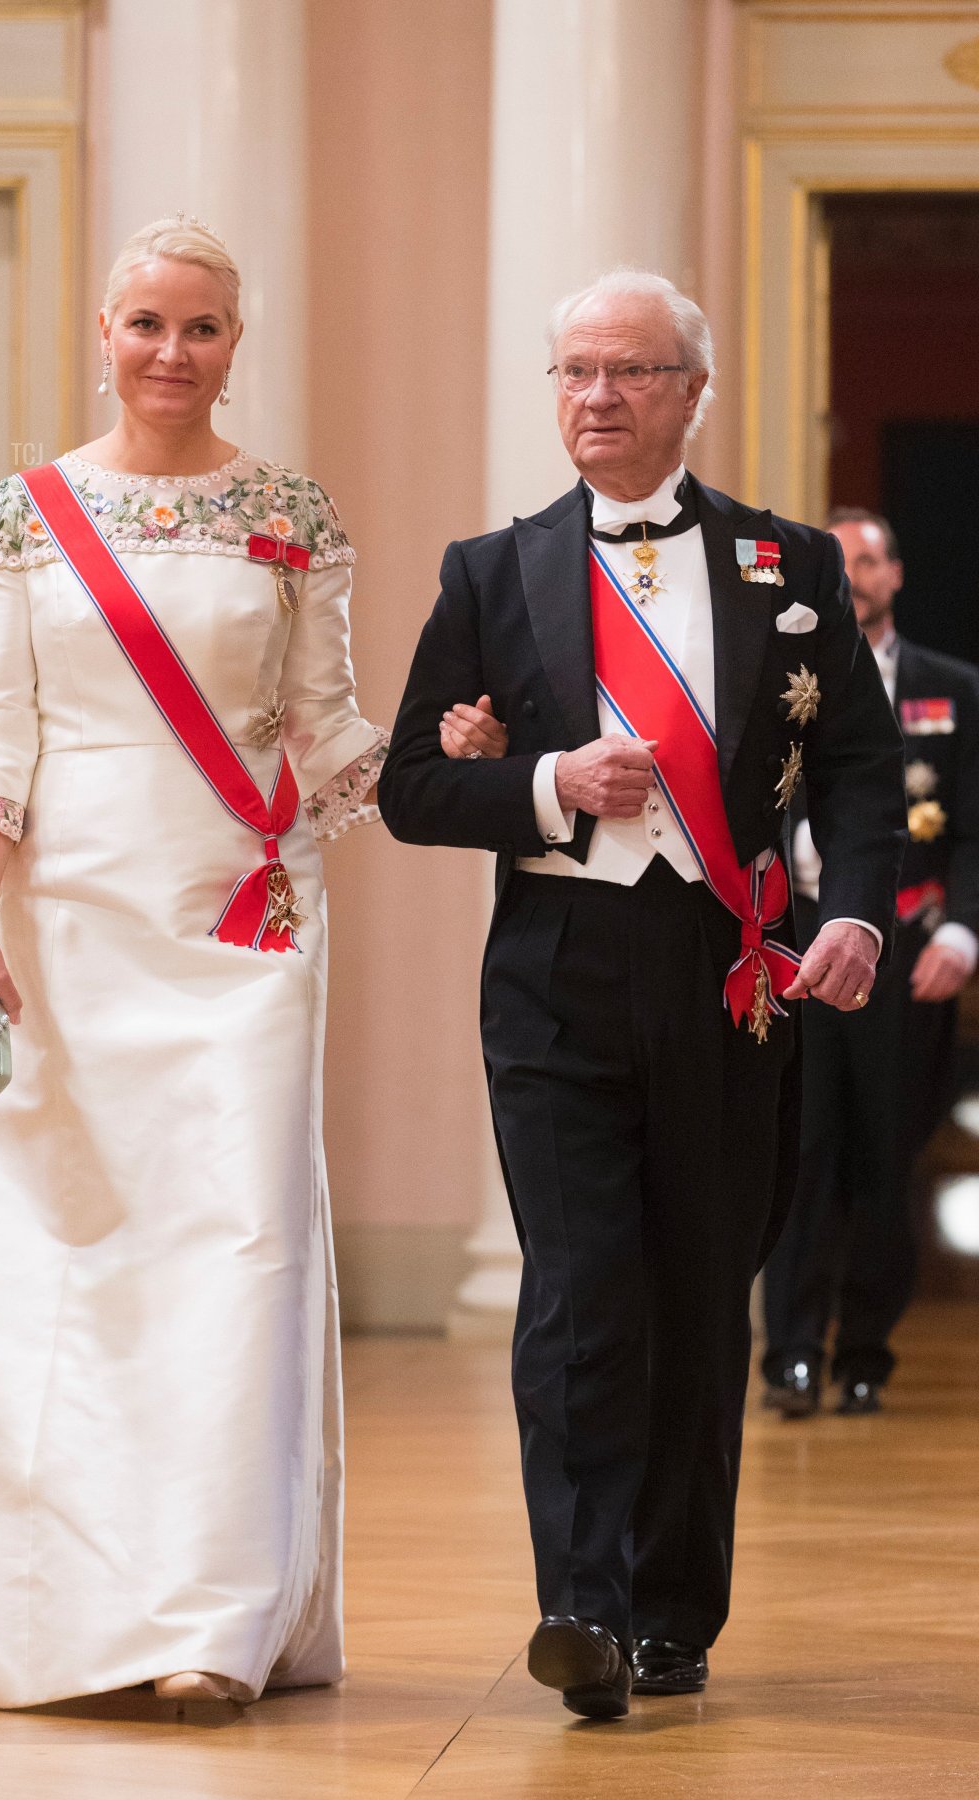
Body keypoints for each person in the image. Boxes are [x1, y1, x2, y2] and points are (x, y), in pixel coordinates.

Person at [379, 271, 905, 1719]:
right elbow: (414, 789)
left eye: (628, 370)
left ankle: (675, 1608)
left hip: (735, 977)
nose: (594, 395)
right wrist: (546, 781)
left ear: (691, 390)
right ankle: (582, 1607)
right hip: (557, 980)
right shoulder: (493, 573)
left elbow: (859, 766)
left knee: (696, 1294)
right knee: (579, 1292)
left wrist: (854, 907)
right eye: (571, 371)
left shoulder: (787, 564)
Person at [0, 216, 390, 1712]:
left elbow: (330, 730)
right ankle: (43, 1603)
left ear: (242, 342)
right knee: (64, 1258)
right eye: (147, 324)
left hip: (244, 923)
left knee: (238, 1248)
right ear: (103, 333)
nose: (174, 353)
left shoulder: (290, 509)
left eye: (205, 328)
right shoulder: (24, 517)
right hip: (63, 927)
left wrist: (464, 760)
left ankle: (207, 1626)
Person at [763, 509, 979, 1417]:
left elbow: (971, 831)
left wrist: (962, 933)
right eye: (841, 556)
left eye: (872, 557)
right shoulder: (778, 681)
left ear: (895, 575)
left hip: (908, 952)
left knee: (883, 1158)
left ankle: (864, 1355)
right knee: (799, 1153)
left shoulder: (952, 689)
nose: (857, 571)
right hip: (799, 945)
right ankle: (793, 1357)